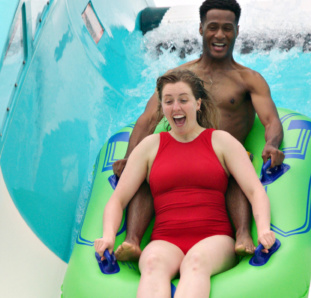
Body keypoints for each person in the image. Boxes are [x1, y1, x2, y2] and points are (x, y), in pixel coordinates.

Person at [112, 0, 284, 261]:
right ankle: (133, 240)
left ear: (237, 30)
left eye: (227, 28)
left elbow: (271, 120)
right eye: (212, 27)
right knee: (146, 172)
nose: (220, 35)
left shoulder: (248, 79)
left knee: (240, 164)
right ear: (201, 28)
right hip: (180, 154)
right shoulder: (180, 77)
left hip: (226, 159)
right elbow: (148, 118)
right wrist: (130, 155)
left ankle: (242, 233)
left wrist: (272, 144)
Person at [95, 70, 276, 297]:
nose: (176, 108)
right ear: (162, 108)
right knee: (151, 264)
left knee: (196, 262)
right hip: (165, 241)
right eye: (168, 102)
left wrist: (263, 230)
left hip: (214, 239)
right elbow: (118, 200)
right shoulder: (150, 147)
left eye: (183, 100)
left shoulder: (221, 141)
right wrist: (108, 236)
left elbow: (254, 191)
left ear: (198, 103)